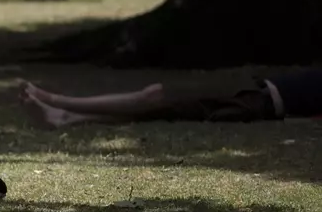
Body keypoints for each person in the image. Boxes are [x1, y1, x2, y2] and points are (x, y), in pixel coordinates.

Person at [17, 69, 322, 129]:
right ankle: (67, 116)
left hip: (256, 100)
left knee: (155, 98)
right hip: (256, 89)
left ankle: (60, 103)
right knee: (155, 105)